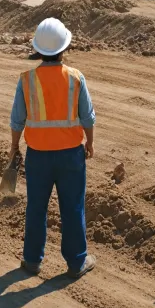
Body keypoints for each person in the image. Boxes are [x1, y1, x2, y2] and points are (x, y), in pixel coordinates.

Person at [9, 18, 96, 279]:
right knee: (72, 207)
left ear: (38, 49)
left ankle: (33, 260)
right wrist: (90, 142)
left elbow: (17, 119)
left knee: (36, 207)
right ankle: (76, 262)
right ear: (63, 48)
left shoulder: (26, 80)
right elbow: (88, 117)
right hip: (71, 155)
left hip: (38, 156)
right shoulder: (75, 78)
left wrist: (14, 147)